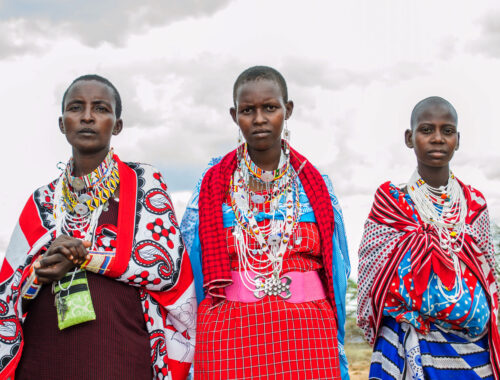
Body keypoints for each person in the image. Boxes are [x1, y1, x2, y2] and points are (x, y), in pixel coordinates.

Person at [0, 75, 196, 380]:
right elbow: (9, 292)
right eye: (76, 108)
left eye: (101, 108)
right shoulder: (42, 200)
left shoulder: (144, 184)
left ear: (117, 125)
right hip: (45, 351)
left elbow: (165, 267)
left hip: (118, 348)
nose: (88, 116)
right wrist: (42, 268)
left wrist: (82, 257)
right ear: (62, 123)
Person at [180, 65, 350, 379]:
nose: (259, 119)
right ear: (234, 116)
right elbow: (190, 266)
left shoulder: (316, 185)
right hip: (228, 333)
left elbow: (338, 268)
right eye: (248, 110)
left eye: (270, 108)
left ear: (288, 110)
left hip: (308, 332)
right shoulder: (212, 185)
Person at [357, 96, 500, 379]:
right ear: (409, 138)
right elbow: (373, 276)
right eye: (426, 130)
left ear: (457, 140)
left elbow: (488, 277)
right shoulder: (392, 202)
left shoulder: (474, 204)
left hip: (473, 349)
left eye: (447, 131)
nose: (437, 138)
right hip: (409, 342)